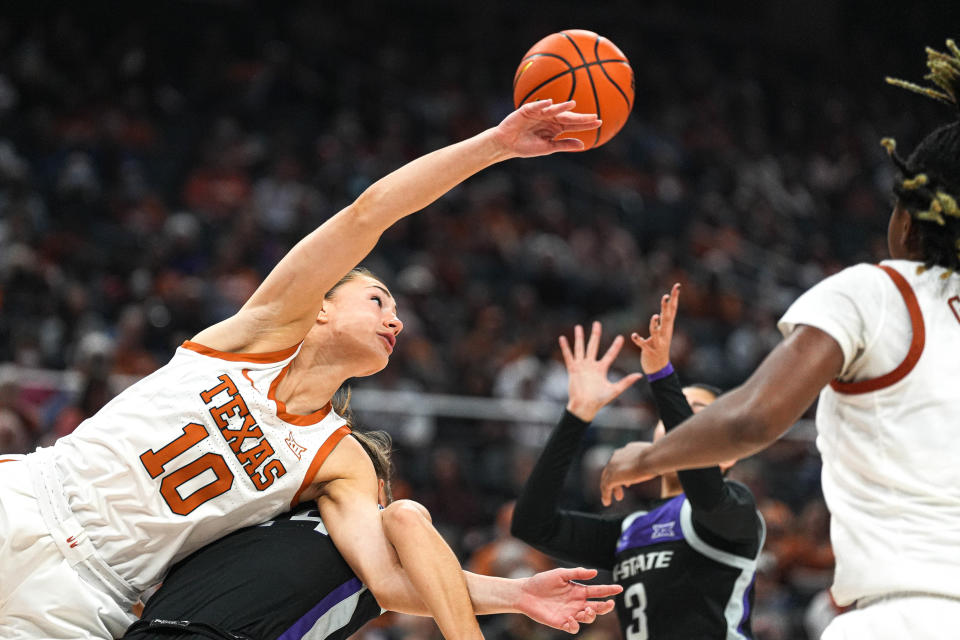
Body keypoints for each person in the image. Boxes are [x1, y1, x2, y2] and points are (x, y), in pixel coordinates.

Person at [0, 99, 602, 640]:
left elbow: (386, 580)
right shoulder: (253, 336)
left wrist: (514, 596)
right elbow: (369, 214)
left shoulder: (340, 459)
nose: (396, 321)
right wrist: (495, 145)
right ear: (319, 309)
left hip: (90, 595)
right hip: (28, 499)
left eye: (398, 312)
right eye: (378, 301)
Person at [599, 42, 960, 639]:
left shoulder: (877, 292)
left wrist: (645, 457)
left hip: (905, 615)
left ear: (908, 214)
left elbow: (752, 419)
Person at [122, 430, 621, 640]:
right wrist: (519, 594)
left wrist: (518, 595)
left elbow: (416, 555)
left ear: (375, 484)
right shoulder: (272, 508)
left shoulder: (383, 529)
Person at [511, 286, 765, 639]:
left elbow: (703, 488)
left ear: (730, 455)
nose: (683, 425)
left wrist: (662, 376)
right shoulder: (631, 531)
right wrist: (577, 416)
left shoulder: (736, 509)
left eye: (696, 414)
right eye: (678, 412)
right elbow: (531, 525)